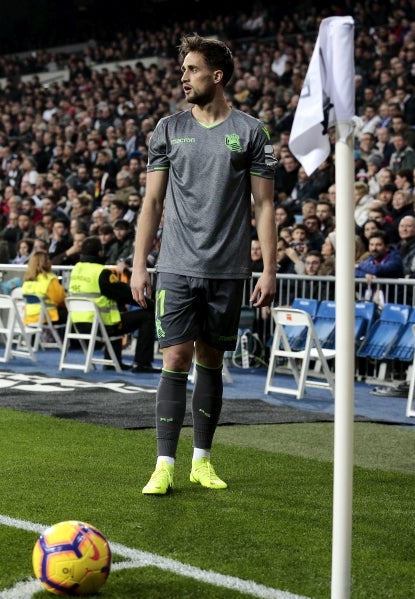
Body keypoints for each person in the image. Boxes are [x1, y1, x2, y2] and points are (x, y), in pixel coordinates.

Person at [129, 34, 277, 495]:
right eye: (183, 69)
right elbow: (151, 202)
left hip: (228, 267)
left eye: (192, 69)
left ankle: (203, 461)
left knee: (212, 360)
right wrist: (140, 264)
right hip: (175, 263)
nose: (183, 77)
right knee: (175, 356)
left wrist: (269, 267)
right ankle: (163, 463)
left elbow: (265, 205)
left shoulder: (252, 131)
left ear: (217, 75)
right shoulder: (168, 129)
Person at [69, 236, 157, 372]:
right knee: (147, 315)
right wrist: (152, 305)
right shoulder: (101, 273)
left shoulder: (76, 269)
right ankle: (142, 363)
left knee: (117, 310)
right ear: (100, 253)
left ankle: (111, 362)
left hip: (78, 324)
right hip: (101, 325)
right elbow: (127, 294)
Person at [21, 250, 67, 326]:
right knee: (72, 315)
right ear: (46, 263)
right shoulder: (50, 280)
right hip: (47, 317)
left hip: (30, 317)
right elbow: (61, 300)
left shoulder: (27, 281)